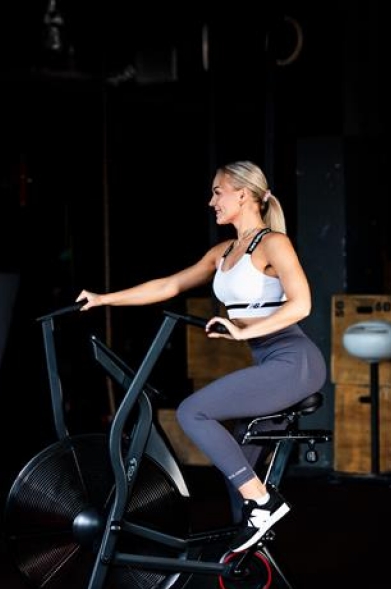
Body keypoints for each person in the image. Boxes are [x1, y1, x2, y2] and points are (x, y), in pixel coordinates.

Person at [76, 160, 327, 553]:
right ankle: (249, 561)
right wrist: (104, 299)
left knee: (193, 412)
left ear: (242, 194)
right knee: (236, 468)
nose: (212, 201)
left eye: (217, 192)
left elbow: (302, 304)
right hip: (269, 362)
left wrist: (242, 330)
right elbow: (170, 285)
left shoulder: (273, 243)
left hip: (295, 362)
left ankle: (265, 504)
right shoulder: (223, 252)